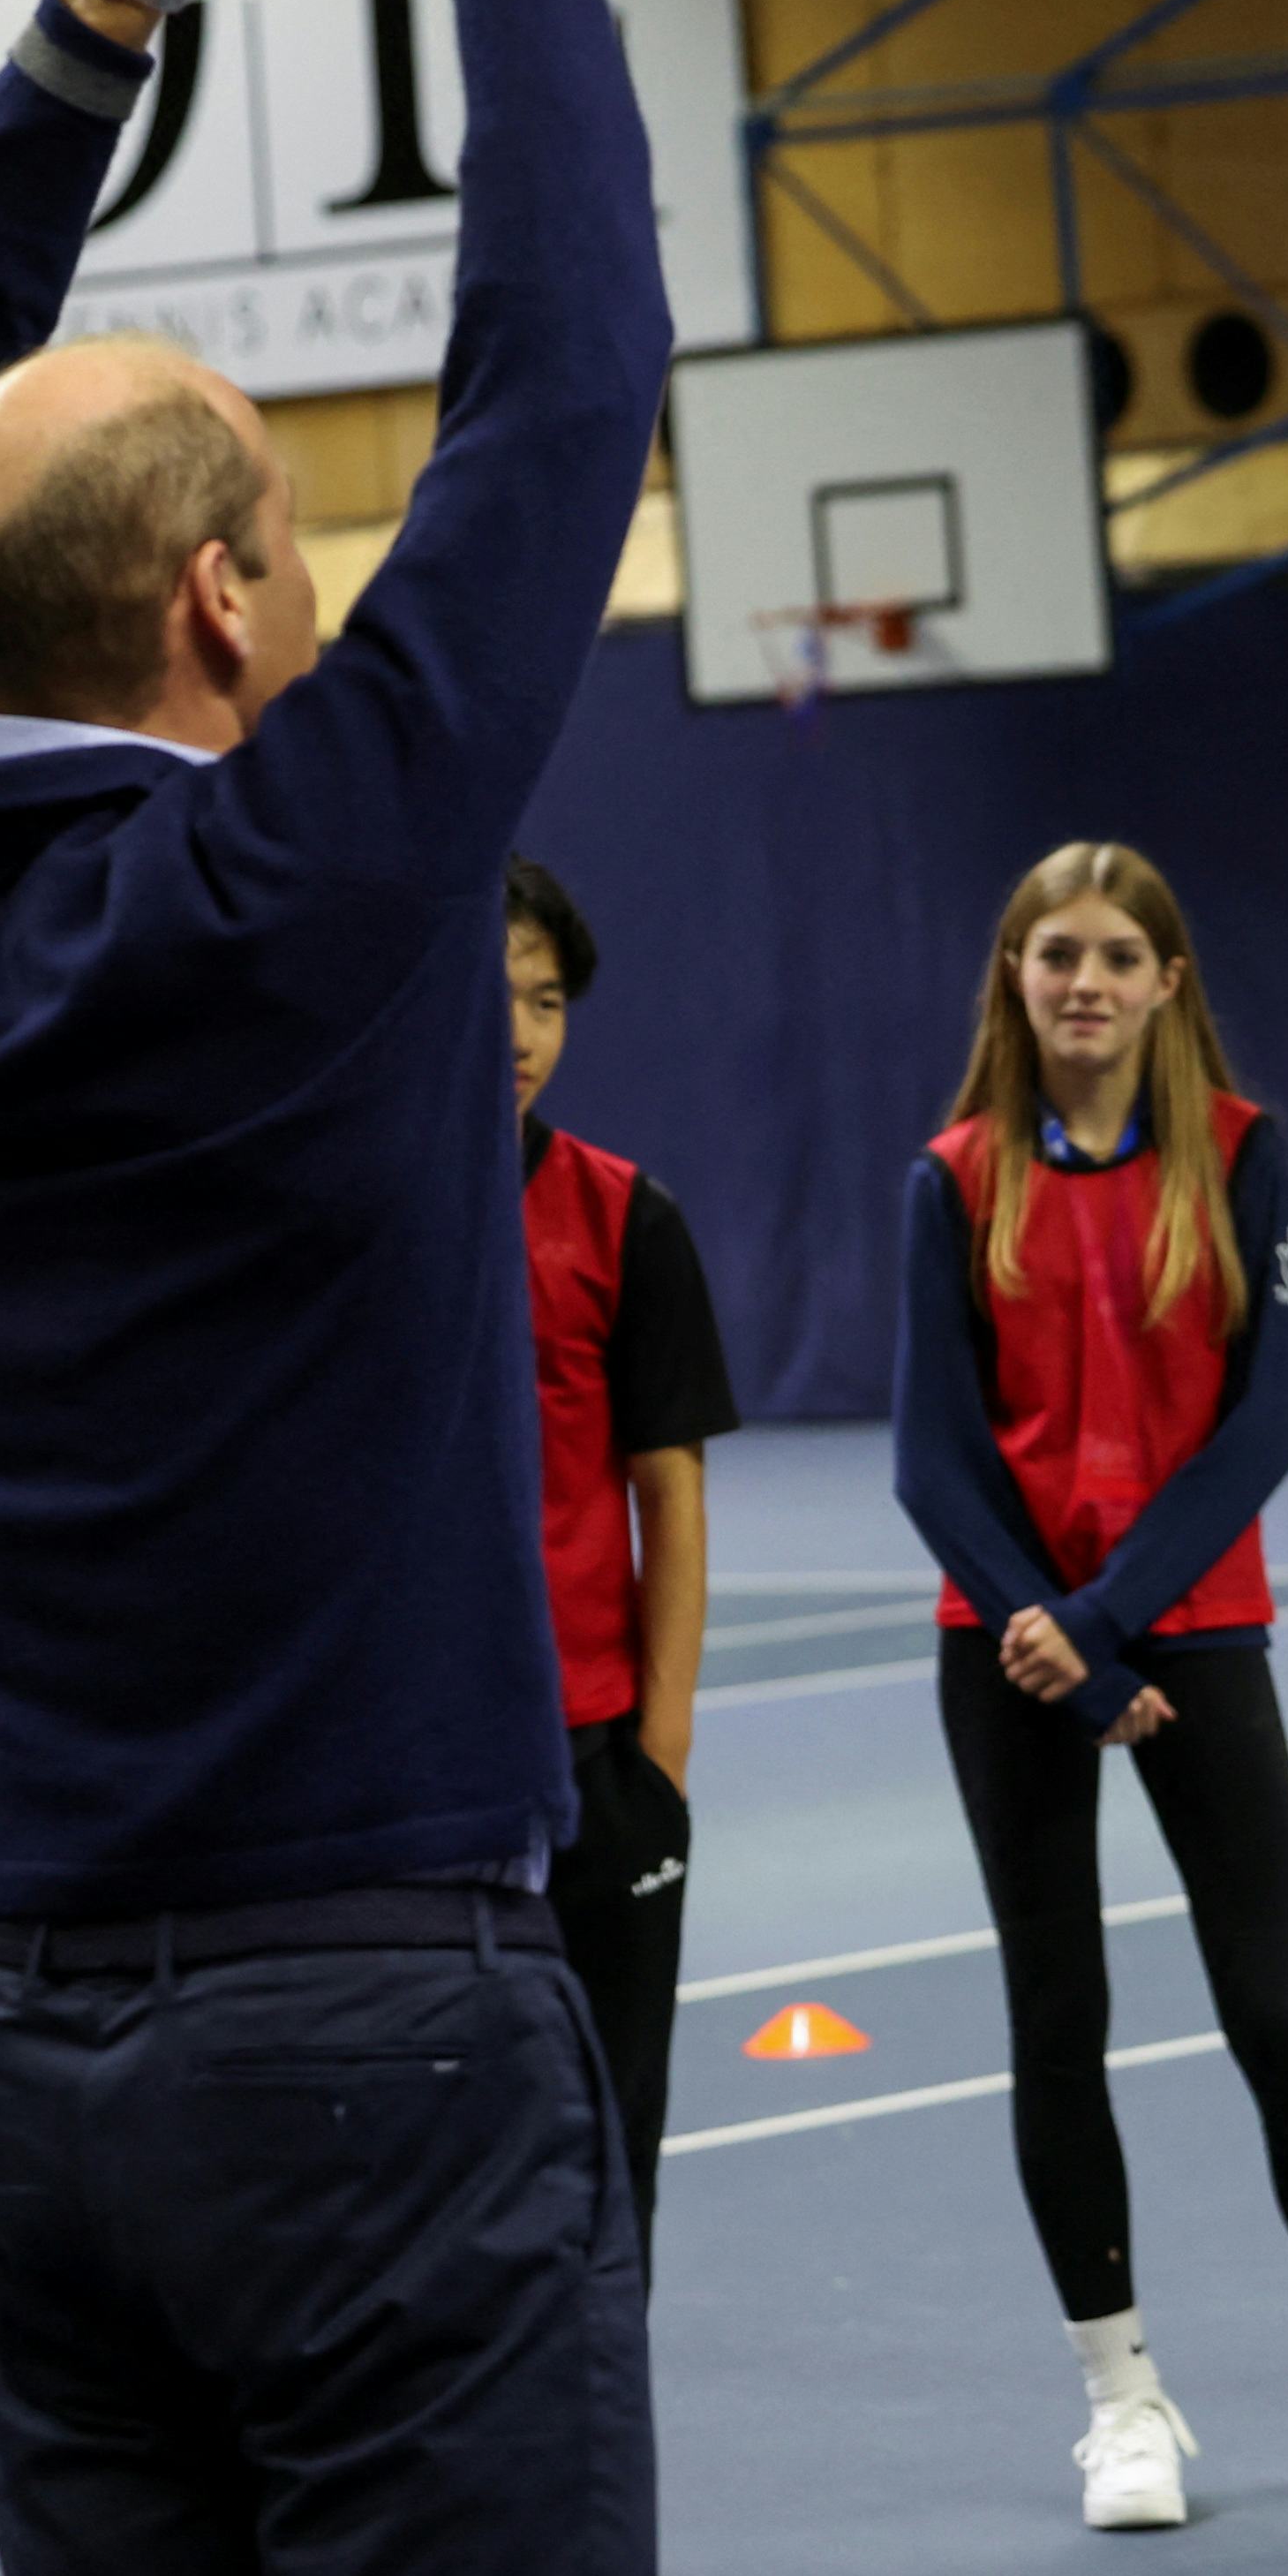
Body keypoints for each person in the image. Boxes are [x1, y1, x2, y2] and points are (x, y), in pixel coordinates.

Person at [0, 0, 674, 2576]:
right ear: (223, 607)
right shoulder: (312, 885)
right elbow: (564, 388)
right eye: (284, 514)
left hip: (36, 2075)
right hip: (373, 2038)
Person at [888, 841, 1288, 2534]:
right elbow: (932, 1460)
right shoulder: (949, 1181)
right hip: (1006, 1650)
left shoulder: (1243, 1160)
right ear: (1015, 976)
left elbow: (1260, 1428)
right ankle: (1123, 2403)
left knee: (1274, 2012)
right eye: (1052, 953)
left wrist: (1117, 1624)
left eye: (1114, 957)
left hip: (1188, 1634)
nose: (1082, 982)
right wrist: (1056, 1646)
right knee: (1056, 2020)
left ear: (1165, 985)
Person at [506, 853, 740, 2255]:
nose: (520, 1031)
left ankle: (591, 2459)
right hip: (413, 1784)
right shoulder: (350, 1211)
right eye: (489, 996)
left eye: (544, 1000)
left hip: (595, 1765)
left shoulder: (624, 1219)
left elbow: (673, 1498)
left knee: (606, 2164)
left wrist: (658, 1753)